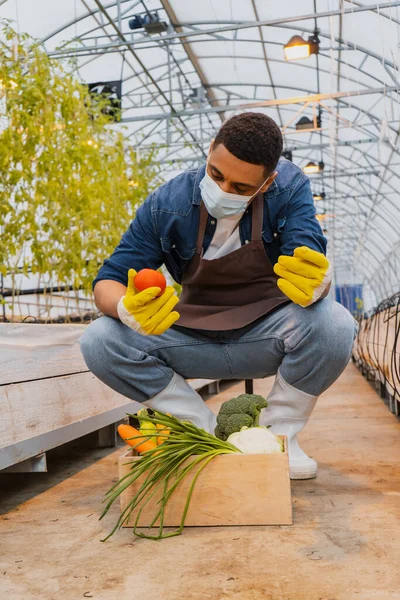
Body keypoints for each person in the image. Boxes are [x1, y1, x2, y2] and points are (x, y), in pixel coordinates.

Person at [80, 112, 356, 479]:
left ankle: (277, 437)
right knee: (99, 339)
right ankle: (204, 432)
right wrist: (125, 307)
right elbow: (108, 280)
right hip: (191, 337)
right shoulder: (168, 202)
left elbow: (306, 251)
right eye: (216, 174)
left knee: (335, 324)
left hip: (267, 335)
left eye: (241, 188)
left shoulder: (289, 187)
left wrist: (316, 282)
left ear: (267, 182)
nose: (224, 190)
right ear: (210, 150)